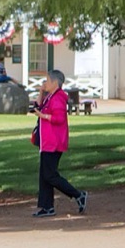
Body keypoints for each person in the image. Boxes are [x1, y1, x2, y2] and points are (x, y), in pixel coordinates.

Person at [31, 69, 88, 218]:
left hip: (54, 142)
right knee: (44, 175)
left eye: (47, 81)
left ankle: (78, 194)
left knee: (50, 175)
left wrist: (42, 115)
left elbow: (59, 118)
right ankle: (47, 206)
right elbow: (38, 105)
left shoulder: (58, 98)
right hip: (46, 142)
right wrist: (41, 92)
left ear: (55, 83)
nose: (45, 83)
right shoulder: (50, 96)